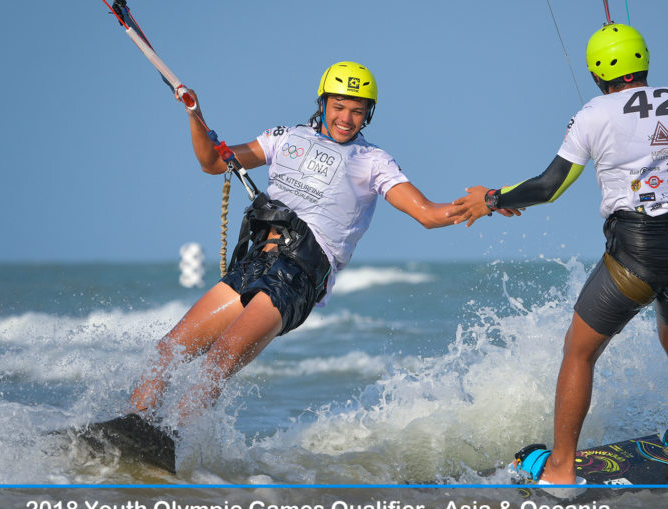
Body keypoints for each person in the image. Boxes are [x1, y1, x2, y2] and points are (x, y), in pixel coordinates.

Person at [126, 61, 505, 434]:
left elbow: (427, 213)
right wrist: (195, 113)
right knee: (168, 351)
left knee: (217, 363)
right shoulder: (284, 138)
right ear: (322, 103)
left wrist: (485, 203)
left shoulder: (373, 162)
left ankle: (168, 442)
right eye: (338, 107)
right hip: (254, 263)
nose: (346, 118)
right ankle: (128, 430)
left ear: (368, 115)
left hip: (296, 277)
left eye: (357, 111)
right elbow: (212, 162)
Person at [450, 23, 668, 485]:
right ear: (645, 63)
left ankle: (560, 468)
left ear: (597, 73)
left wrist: (493, 198)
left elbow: (550, 187)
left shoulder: (594, 112)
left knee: (579, 352)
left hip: (635, 253)